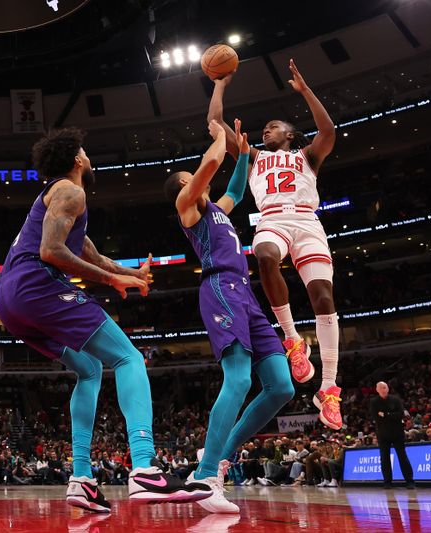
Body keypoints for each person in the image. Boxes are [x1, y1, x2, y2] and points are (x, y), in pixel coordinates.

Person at [0, 127, 212, 513]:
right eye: (87, 151)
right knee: (128, 358)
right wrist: (112, 280)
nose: (90, 157)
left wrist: (128, 273)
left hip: (10, 301)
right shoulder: (70, 190)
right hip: (36, 284)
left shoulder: (63, 200)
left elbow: (92, 255)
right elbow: (51, 251)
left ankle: (81, 478)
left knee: (90, 368)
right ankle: (145, 467)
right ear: (77, 159)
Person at [164, 119, 294, 513]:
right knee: (237, 379)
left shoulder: (217, 210)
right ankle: (205, 475)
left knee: (281, 387)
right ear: (186, 187)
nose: (199, 180)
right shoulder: (187, 209)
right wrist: (219, 138)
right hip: (219, 288)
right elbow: (209, 167)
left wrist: (241, 149)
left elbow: (235, 189)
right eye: (192, 178)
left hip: (246, 294)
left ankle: (220, 452)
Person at [208, 60, 342, 430]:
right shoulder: (254, 158)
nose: (266, 130)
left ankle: (328, 388)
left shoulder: (307, 156)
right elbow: (216, 127)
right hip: (272, 219)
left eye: (273, 126)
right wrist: (220, 85)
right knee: (265, 255)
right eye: (265, 128)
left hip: (307, 221)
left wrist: (305, 91)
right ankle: (293, 338)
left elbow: (328, 130)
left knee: (324, 299)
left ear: (290, 134)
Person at [370, 381, 415, 489]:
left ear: (388, 388)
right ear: (377, 390)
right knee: (384, 458)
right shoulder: (374, 402)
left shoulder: (396, 399)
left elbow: (400, 415)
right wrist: (391, 415)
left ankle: (409, 481)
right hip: (382, 434)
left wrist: (385, 415)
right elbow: (376, 418)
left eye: (384, 387)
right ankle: (387, 482)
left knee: (402, 456)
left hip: (397, 433)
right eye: (380, 388)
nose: (383, 389)